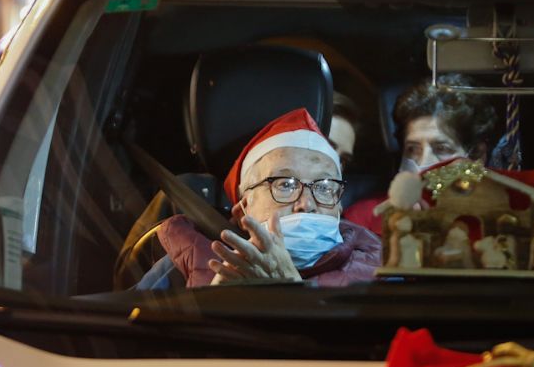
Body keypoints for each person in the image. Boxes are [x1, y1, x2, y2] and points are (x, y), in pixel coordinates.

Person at [156, 108, 382, 287]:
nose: (306, 204)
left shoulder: (383, 272)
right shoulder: (181, 263)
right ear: (243, 208)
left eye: (324, 187)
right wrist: (213, 303)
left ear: (340, 206)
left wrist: (289, 290)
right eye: (285, 184)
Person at [344, 75, 498, 232]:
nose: (423, 163)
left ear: (477, 155)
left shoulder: (496, 223)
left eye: (442, 149)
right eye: (413, 149)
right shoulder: (363, 219)